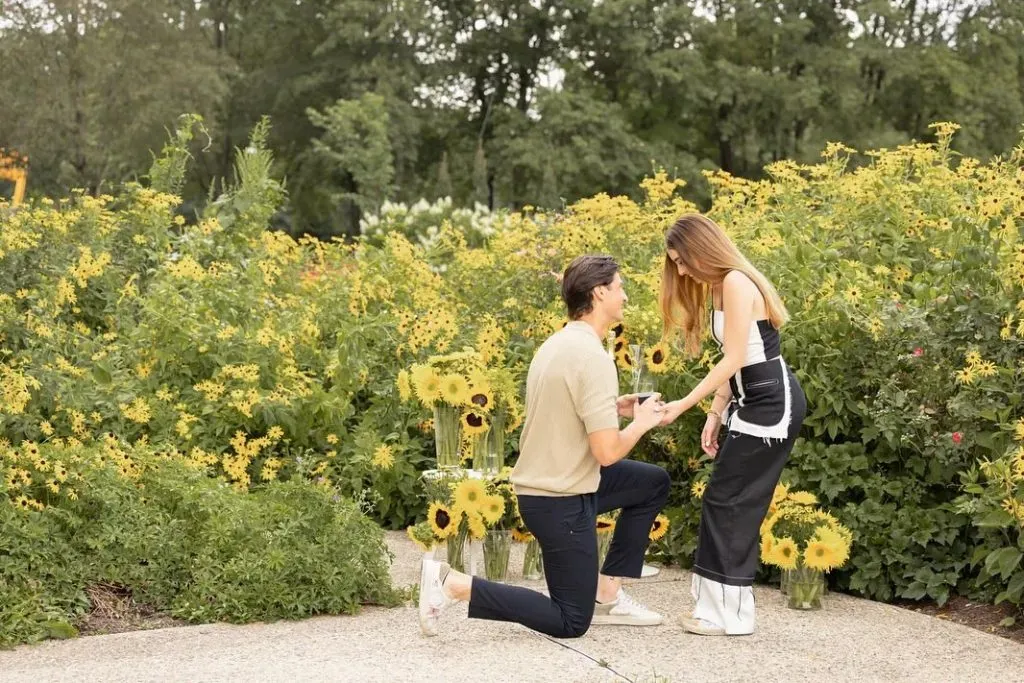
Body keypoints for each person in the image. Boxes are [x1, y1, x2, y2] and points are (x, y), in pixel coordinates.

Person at [418, 254, 672, 638]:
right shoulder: (593, 358)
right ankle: (454, 583)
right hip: (560, 502)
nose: (625, 295)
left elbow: (564, 412)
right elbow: (606, 453)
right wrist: (641, 422)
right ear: (599, 292)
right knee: (570, 621)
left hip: (551, 487)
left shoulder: (557, 344)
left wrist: (613, 409)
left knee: (651, 482)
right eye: (619, 287)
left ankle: (607, 592)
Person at [656, 213, 807, 636]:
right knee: (724, 500)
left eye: (682, 261)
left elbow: (737, 356)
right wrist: (715, 412)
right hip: (749, 400)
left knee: (731, 502)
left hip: (771, 404)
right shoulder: (720, 286)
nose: (681, 271)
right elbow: (734, 359)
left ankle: (732, 614)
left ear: (701, 249)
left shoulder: (737, 282)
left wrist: (685, 405)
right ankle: (718, 610)